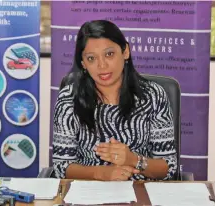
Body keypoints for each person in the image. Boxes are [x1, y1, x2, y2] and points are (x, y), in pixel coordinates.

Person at [52, 20, 177, 181]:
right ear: (83, 63)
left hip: (141, 194)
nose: (102, 65)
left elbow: (168, 167)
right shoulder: (69, 99)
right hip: (87, 194)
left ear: (125, 52)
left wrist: (133, 160)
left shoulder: (153, 96)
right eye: (91, 58)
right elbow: (62, 167)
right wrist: (100, 173)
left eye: (109, 54)